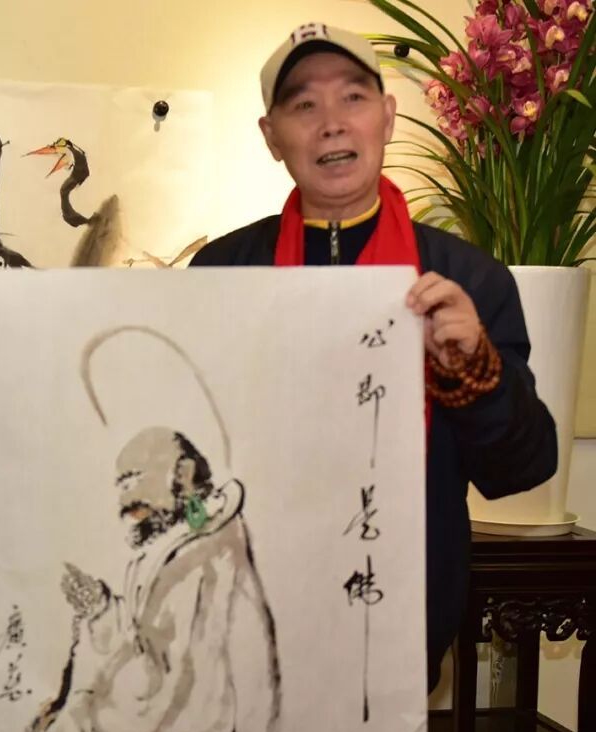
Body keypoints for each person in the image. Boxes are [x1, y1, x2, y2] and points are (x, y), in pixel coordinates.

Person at [191, 22, 558, 690]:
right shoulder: (223, 271)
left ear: (387, 117)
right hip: (247, 637)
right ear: (272, 136)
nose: (331, 122)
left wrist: (473, 371)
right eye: (304, 104)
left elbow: (525, 468)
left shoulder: (464, 279)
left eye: (353, 97)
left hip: (397, 644)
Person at [6, 427, 336, 732]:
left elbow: (185, 700)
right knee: (68, 728)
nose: (125, 498)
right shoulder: (174, 545)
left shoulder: (204, 555)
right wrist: (101, 610)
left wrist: (96, 698)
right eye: (120, 485)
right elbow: (152, 647)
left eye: (133, 479)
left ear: (183, 474)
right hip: (183, 727)